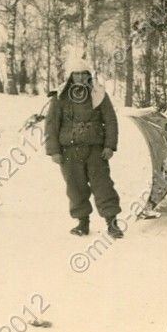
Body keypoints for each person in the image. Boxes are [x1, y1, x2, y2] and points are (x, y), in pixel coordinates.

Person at [45, 54, 123, 239]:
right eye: (76, 74)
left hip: (95, 150)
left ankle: (112, 223)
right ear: (70, 76)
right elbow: (51, 124)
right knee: (75, 187)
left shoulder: (99, 94)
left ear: (89, 75)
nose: (80, 78)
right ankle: (82, 223)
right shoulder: (60, 97)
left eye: (83, 74)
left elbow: (110, 121)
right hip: (69, 152)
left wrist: (109, 146)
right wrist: (54, 151)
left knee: (103, 186)